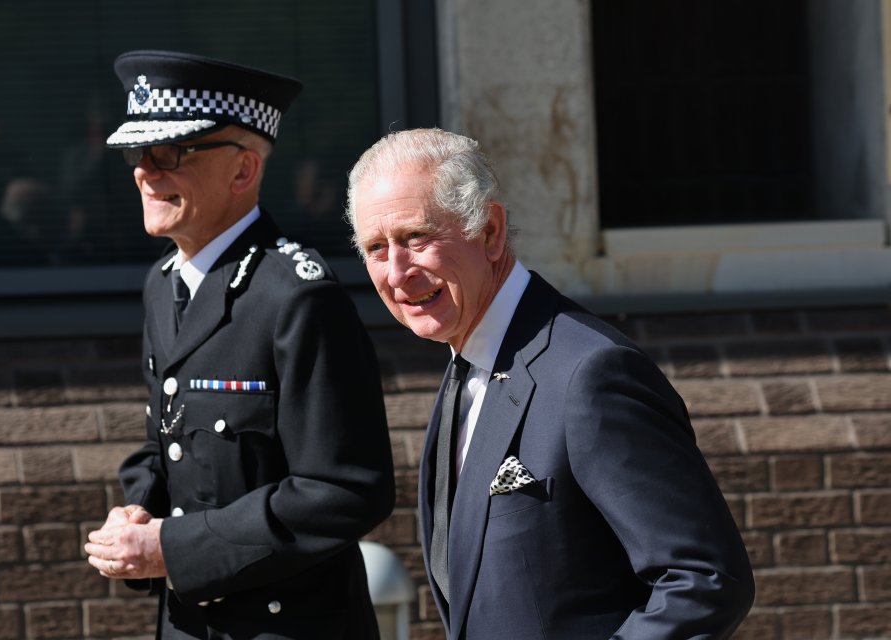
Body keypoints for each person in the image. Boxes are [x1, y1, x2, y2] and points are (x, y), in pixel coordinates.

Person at [346, 128, 755, 639]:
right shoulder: (466, 363)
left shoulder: (590, 372)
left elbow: (704, 579)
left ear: (490, 232)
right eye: (376, 249)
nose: (397, 271)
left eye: (415, 238)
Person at [84, 50, 395, 639]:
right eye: (136, 153)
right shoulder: (163, 284)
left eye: (169, 152)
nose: (144, 171)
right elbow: (165, 442)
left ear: (243, 171)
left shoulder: (295, 296)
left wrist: (172, 548)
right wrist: (138, 512)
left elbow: (347, 489)